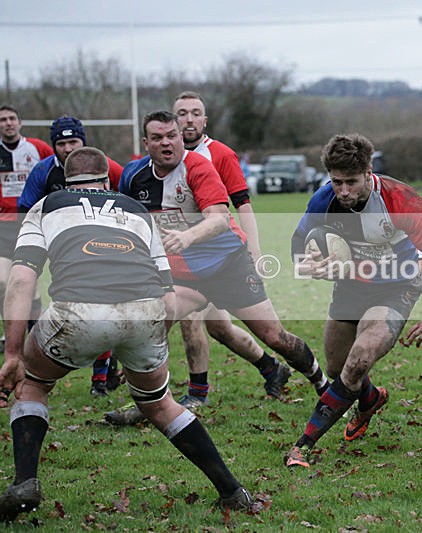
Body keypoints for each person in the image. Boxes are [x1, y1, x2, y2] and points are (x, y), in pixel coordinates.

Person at [0, 147, 253, 522]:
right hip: (146, 311)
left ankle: (24, 483)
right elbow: (168, 298)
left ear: (66, 179)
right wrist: (138, 343)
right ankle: (233, 491)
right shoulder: (138, 211)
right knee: (160, 404)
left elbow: (20, 280)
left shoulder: (47, 206)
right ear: (108, 179)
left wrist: (13, 353)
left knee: (32, 386)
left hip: (77, 311)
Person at [105, 110, 327, 425]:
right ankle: (151, 405)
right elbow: (127, 220)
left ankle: (323, 385)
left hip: (228, 265)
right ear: (146, 143)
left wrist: (187, 236)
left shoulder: (197, 167)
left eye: (172, 135)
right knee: (153, 323)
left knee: (274, 336)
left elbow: (220, 218)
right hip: (184, 275)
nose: (166, 143)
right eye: (157, 138)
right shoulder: (133, 175)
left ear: (181, 137)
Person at [284, 133, 422, 468]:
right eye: (337, 182)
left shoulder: (399, 200)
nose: (344, 191)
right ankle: (372, 399)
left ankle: (302, 446)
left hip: (397, 287)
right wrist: (308, 266)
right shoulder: (324, 200)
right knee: (338, 368)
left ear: (368, 171)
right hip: (350, 287)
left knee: (359, 359)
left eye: (351, 182)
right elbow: (297, 243)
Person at [170, 91, 292, 411]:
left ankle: (197, 392)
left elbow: (243, 205)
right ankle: (272, 369)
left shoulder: (220, 154)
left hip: (222, 256)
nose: (189, 119)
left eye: (195, 113)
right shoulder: (164, 161)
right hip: (184, 257)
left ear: (205, 120)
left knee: (192, 319)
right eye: (182, 113)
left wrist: (255, 252)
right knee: (220, 328)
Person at [18, 115, 125, 397]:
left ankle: (99, 382)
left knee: (102, 309)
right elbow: (26, 211)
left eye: (73, 142)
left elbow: (130, 199)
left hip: (103, 249)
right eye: (61, 143)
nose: (67, 148)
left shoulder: (107, 167)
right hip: (61, 253)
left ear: (83, 142)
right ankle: (38, 367)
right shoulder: (43, 171)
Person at [0, 105, 53, 354]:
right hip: (2, 228)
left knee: (29, 284)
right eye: (2, 120)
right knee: (3, 281)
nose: (8, 123)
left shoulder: (38, 148)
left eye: (12, 118)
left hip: (30, 224)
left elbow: (55, 172)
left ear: (20, 122)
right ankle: (11, 334)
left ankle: (34, 336)